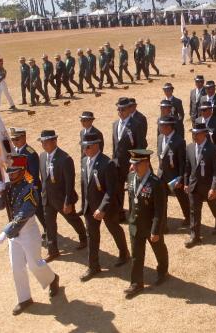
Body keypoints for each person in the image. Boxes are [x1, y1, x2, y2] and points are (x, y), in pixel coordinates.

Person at [0, 155, 60, 315]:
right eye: (9, 171)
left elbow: (24, 214)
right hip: (14, 234)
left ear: (22, 171)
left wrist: (5, 232)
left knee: (34, 264)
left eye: (14, 172)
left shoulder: (30, 189)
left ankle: (52, 278)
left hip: (28, 232)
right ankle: (24, 299)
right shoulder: (8, 187)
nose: (10, 175)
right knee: (16, 267)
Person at [79, 132, 130, 282]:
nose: (85, 150)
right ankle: (93, 266)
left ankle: (124, 252)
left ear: (96, 146)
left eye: (87, 147)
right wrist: (84, 205)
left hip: (106, 208)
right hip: (90, 206)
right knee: (92, 236)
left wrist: (102, 208)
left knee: (114, 229)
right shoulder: (84, 162)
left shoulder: (107, 164)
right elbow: (84, 186)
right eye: (83, 147)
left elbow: (111, 190)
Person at [124, 149, 169, 298]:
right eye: (133, 164)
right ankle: (136, 283)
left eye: (137, 164)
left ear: (146, 163)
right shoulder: (131, 177)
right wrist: (130, 220)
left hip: (150, 226)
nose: (134, 167)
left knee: (159, 250)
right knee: (136, 255)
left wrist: (156, 230)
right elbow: (131, 201)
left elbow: (159, 210)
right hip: (135, 225)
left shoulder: (156, 183)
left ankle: (162, 271)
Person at [38, 130, 87, 262]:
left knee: (72, 219)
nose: (44, 145)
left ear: (55, 141)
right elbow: (43, 179)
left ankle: (83, 237)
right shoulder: (42, 157)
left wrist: (68, 201)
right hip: (47, 199)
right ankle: (53, 251)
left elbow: (69, 183)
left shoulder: (65, 159)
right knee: (49, 225)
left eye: (46, 142)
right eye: (42, 142)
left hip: (61, 199)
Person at [184, 122, 216, 248]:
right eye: (193, 134)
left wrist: (214, 188)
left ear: (204, 134)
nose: (194, 136)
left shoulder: (213, 149)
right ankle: (194, 236)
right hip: (194, 186)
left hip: (208, 187)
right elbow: (187, 167)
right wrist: (186, 183)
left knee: (214, 206)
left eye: (197, 134)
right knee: (194, 211)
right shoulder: (190, 148)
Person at [112, 97, 147, 220]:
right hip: (117, 163)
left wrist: (136, 162)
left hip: (130, 163)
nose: (120, 112)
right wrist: (113, 160)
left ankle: (134, 213)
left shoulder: (136, 125)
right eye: (119, 109)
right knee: (117, 189)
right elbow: (115, 145)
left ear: (128, 109)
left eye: (123, 109)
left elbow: (141, 145)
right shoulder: (115, 124)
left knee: (132, 189)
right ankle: (120, 212)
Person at [10, 127, 46, 242]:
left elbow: (33, 174)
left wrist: (25, 184)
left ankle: (48, 229)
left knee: (39, 211)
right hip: (20, 187)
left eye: (17, 139)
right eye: (13, 139)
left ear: (24, 137)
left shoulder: (30, 153)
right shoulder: (14, 152)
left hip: (31, 188)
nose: (14, 142)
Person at [157, 115, 190, 228]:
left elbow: (182, 162)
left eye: (161, 125)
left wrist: (181, 178)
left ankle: (189, 217)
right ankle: (163, 224)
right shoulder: (160, 137)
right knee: (161, 199)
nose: (159, 127)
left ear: (169, 127)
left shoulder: (179, 141)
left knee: (182, 198)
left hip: (174, 176)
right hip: (162, 174)